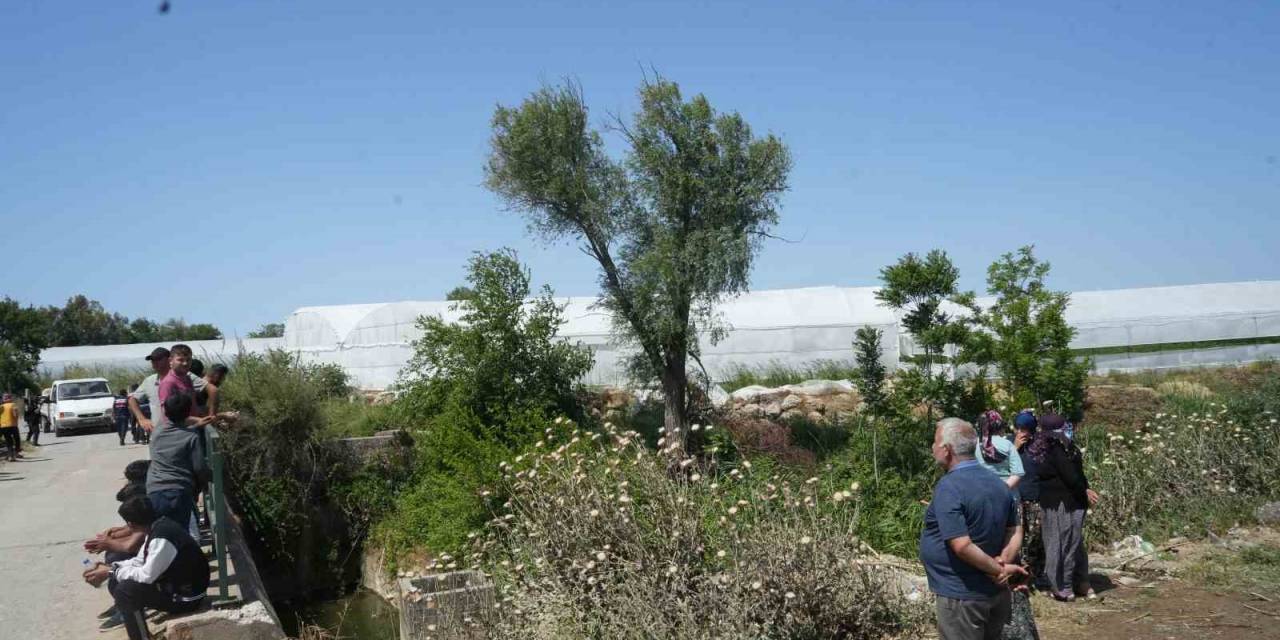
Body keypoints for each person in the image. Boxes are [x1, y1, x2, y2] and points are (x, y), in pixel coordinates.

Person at [921, 418, 1027, 640]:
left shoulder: (950, 487)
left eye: (935, 441)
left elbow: (961, 545)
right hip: (994, 594)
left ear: (946, 449)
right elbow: (1015, 529)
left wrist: (997, 570)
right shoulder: (997, 483)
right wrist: (1004, 563)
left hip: (962, 597)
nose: (932, 446)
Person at [83, 497, 210, 640]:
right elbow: (139, 561)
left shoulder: (161, 537)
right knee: (119, 576)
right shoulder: (157, 526)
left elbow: (146, 576)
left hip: (187, 598)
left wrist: (110, 572)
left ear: (130, 524)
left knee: (126, 591)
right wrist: (110, 568)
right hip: (177, 586)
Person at [1028, 413, 1099, 602]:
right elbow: (1072, 475)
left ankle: (1064, 586)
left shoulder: (1039, 446)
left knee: (1058, 543)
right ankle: (1069, 584)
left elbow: (1069, 475)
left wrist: (1084, 490)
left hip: (1057, 503)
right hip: (1068, 502)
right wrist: (1084, 490)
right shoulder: (1062, 446)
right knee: (1068, 543)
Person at [145, 391, 210, 541]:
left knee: (161, 535)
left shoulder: (157, 432)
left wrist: (195, 425)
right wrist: (209, 480)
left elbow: (175, 432)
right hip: (178, 492)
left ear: (165, 412)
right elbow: (199, 468)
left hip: (154, 490)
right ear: (188, 412)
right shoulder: (191, 437)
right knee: (180, 536)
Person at [129, 346, 206, 440]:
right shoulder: (150, 380)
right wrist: (142, 419)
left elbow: (210, 389)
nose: (154, 363)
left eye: (158, 359)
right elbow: (132, 399)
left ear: (169, 360)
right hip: (163, 434)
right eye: (152, 360)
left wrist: (206, 413)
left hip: (185, 431)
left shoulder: (186, 376)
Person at [1012, 411, 1045, 587]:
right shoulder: (1009, 444)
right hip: (1016, 499)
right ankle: (1019, 575)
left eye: (1026, 429)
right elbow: (1001, 465)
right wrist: (1015, 447)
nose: (1022, 432)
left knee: (1035, 538)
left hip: (1035, 499)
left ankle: (1034, 575)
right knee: (1017, 538)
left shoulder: (1039, 445)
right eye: (1019, 428)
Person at [974, 410, 1025, 494]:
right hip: (1007, 494)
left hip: (983, 493)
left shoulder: (974, 445)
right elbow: (1018, 473)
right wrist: (1002, 490)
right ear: (1000, 427)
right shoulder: (1007, 444)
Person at [1, 393, 22, 461]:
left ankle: (10, 456)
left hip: (3, 426)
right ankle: (16, 453)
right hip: (12, 425)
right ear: (10, 398)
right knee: (17, 439)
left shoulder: (1, 406)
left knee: (9, 441)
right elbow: (15, 414)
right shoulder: (13, 405)